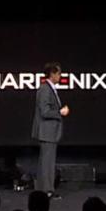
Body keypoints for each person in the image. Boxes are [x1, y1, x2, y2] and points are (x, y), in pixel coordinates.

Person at [30, 62, 69, 197]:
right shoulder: (45, 89)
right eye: (58, 73)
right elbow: (45, 111)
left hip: (49, 132)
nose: (60, 76)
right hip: (47, 132)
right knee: (47, 163)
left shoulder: (49, 88)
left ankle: (43, 190)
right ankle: (47, 191)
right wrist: (60, 112)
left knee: (46, 162)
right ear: (52, 74)